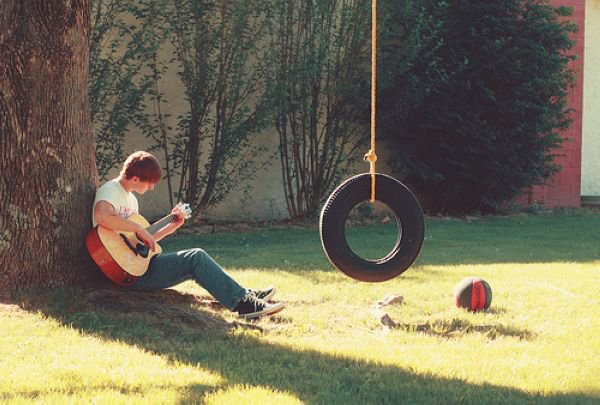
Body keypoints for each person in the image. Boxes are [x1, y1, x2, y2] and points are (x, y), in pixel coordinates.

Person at [91, 150, 285, 320]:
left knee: (195, 258)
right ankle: (245, 305)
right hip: (125, 274)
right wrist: (138, 228)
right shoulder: (111, 190)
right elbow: (101, 216)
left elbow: (140, 245)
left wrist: (171, 227)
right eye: (150, 183)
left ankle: (245, 295)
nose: (151, 188)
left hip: (138, 266)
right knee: (196, 257)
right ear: (135, 179)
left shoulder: (131, 200)